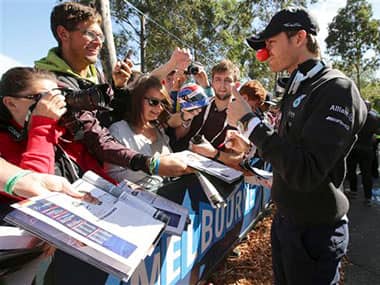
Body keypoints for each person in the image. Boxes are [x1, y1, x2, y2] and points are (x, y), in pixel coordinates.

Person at [227, 7, 367, 284]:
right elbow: (289, 152)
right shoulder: (298, 87)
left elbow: (306, 171)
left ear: (300, 37)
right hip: (286, 223)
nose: (265, 52)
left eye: (271, 42)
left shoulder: (335, 88)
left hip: (315, 232)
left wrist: (250, 122)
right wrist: (257, 150)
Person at [34, 1, 189, 178]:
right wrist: (149, 163)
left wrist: (118, 87)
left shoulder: (94, 74)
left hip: (98, 174)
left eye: (101, 36)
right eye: (90, 34)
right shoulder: (50, 81)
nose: (98, 42)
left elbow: (116, 111)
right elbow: (95, 137)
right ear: (63, 34)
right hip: (67, 176)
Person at [105, 75, 173, 187]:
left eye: (163, 103)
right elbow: (112, 175)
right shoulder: (118, 130)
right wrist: (153, 166)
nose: (160, 108)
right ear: (137, 99)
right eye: (154, 102)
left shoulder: (159, 129)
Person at [172, 59, 239, 152]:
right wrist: (186, 118)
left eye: (228, 80)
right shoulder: (200, 103)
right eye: (218, 79)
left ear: (236, 85)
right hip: (181, 155)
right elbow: (177, 133)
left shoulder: (239, 116)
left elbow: (235, 157)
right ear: (213, 82)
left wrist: (213, 154)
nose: (222, 85)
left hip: (209, 164)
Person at [346, 101, 380, 205]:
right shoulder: (374, 119)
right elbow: (378, 132)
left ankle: (353, 191)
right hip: (367, 149)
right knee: (366, 173)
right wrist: (373, 136)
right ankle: (368, 197)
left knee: (352, 171)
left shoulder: (353, 116)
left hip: (353, 148)